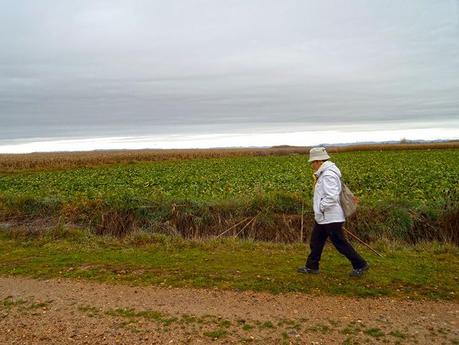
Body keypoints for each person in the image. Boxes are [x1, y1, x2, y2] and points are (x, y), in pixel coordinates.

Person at [297, 147, 369, 277]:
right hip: (324, 217)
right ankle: (312, 266)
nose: (311, 165)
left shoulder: (328, 175)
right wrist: (320, 210)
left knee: (340, 243)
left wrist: (321, 207)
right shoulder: (324, 173)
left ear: (318, 161)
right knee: (316, 241)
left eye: (312, 162)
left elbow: (332, 196)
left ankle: (360, 264)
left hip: (331, 217)